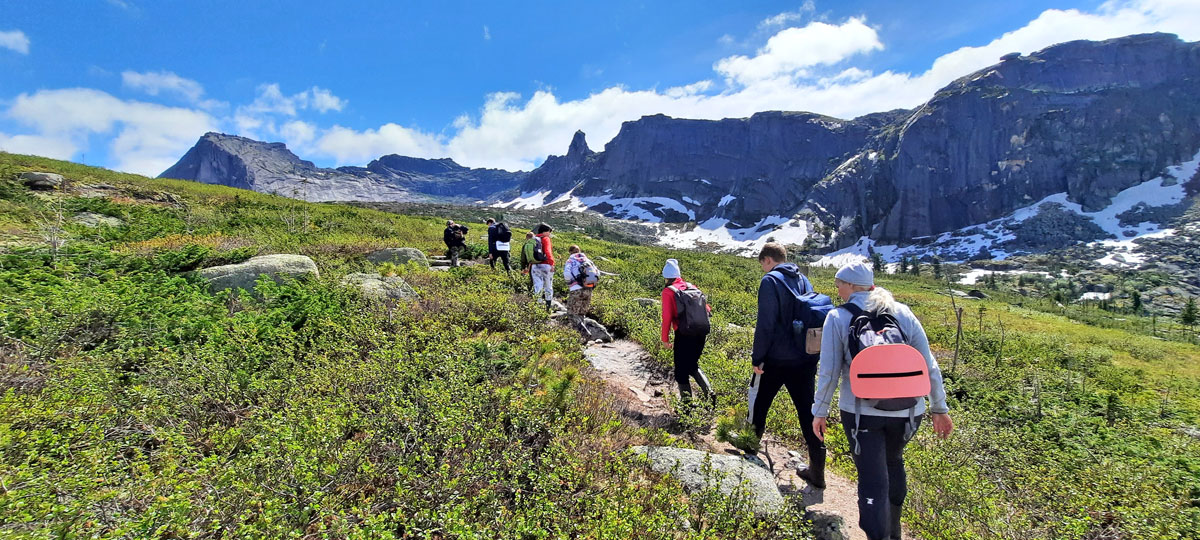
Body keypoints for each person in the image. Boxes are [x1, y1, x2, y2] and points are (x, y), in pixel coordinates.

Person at [812, 262, 953, 540]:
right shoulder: (902, 312)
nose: (837, 287)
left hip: (862, 411)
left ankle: (878, 535)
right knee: (894, 461)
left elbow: (828, 371)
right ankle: (894, 531)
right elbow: (929, 364)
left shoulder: (838, 317)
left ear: (852, 286)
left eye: (840, 282)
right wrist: (939, 407)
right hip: (909, 410)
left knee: (871, 475)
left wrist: (820, 411)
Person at [750, 242, 826, 491]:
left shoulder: (770, 282)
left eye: (763, 264)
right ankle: (817, 470)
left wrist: (757, 357)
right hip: (805, 358)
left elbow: (766, 324)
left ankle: (750, 453)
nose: (763, 269)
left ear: (767, 260)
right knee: (808, 413)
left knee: (761, 404)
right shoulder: (804, 280)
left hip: (777, 359)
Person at [661, 258, 715, 403]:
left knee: (681, 372)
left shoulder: (668, 291)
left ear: (666, 276)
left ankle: (686, 408)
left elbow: (666, 317)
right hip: (701, 333)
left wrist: (665, 339)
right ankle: (710, 394)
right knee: (692, 365)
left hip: (684, 334)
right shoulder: (692, 287)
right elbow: (707, 310)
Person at [563, 245, 596, 317]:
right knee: (582, 313)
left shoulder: (570, 261)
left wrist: (570, 284)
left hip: (576, 288)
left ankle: (573, 327)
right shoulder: (588, 260)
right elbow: (597, 273)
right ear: (579, 251)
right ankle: (581, 326)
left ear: (570, 252)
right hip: (589, 288)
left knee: (572, 313)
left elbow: (567, 274)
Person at [530, 223, 556, 310]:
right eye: (549, 232)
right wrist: (552, 263)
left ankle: (538, 307)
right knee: (548, 286)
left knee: (537, 285)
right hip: (546, 265)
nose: (549, 234)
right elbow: (548, 252)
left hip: (534, 265)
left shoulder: (533, 239)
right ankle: (548, 307)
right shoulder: (546, 239)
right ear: (546, 231)